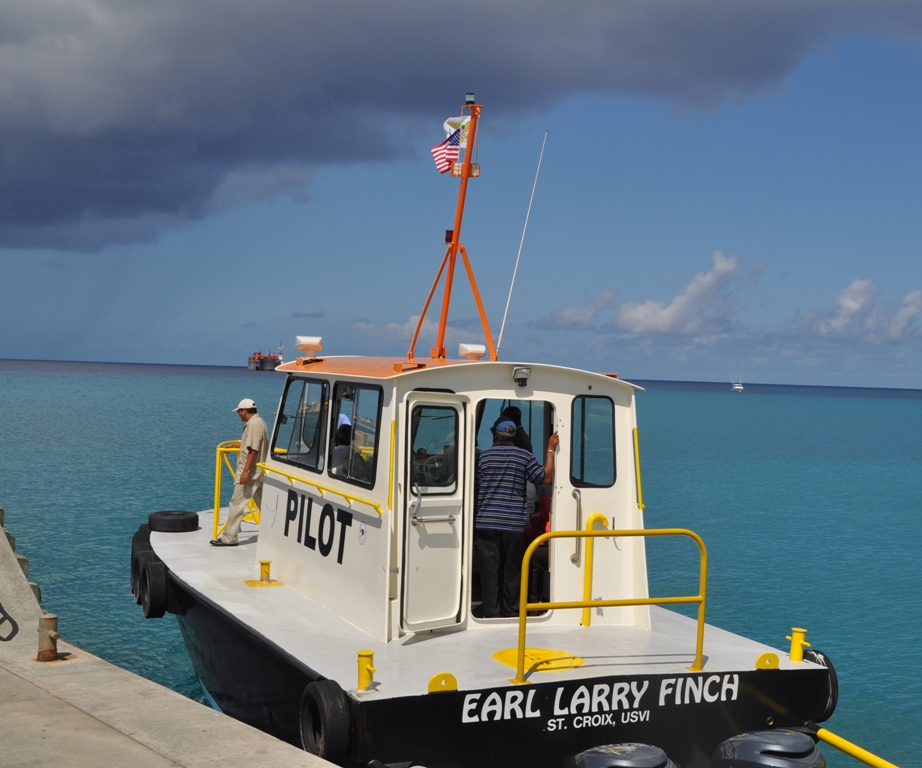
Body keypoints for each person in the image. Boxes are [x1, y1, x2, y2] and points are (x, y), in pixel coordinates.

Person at [474, 417, 559, 617]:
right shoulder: (524, 457)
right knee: (512, 569)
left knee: (489, 571)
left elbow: (476, 490)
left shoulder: (483, 457)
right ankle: (512, 611)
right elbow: (545, 477)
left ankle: (491, 612)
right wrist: (550, 449)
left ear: (495, 434)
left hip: (486, 521)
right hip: (513, 523)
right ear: (514, 435)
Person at [211, 398, 269, 547]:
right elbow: (252, 444)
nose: (239, 415)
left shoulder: (254, 425)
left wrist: (245, 472)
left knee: (236, 503)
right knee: (266, 504)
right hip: (260, 471)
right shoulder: (260, 422)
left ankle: (229, 538)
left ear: (244, 411)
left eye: (239, 412)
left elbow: (253, 450)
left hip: (251, 474)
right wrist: (238, 445)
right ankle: (277, 533)